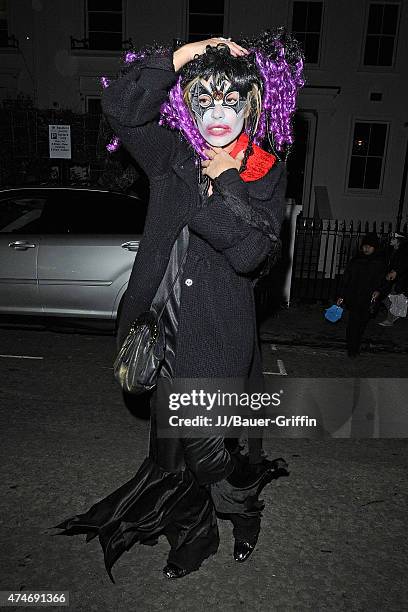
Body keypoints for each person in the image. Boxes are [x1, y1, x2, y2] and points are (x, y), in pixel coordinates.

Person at [54, 30, 304, 580]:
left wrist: (226, 184)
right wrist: (178, 58)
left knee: (211, 454)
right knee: (173, 457)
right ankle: (193, 540)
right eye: (205, 98)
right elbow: (121, 110)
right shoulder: (173, 155)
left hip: (217, 338)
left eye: (230, 99)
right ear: (190, 102)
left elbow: (249, 255)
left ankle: (242, 515)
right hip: (160, 331)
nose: (217, 113)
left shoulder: (264, 170)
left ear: (252, 104)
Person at [336, 232, 390, 357]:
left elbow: (385, 281)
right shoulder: (356, 260)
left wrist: (380, 291)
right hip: (354, 297)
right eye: (365, 246)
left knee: (362, 324)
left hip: (369, 299)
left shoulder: (380, 263)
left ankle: (355, 346)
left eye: (369, 246)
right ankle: (352, 349)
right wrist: (341, 295)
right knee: (353, 324)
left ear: (375, 247)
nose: (366, 248)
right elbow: (346, 278)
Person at [378, 231, 408, 326]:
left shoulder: (404, 251)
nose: (391, 240)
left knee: (393, 298)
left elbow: (403, 265)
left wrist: (396, 272)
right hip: (390, 279)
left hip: (399, 280)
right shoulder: (391, 250)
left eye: (393, 239)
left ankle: (390, 319)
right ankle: (396, 314)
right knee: (384, 297)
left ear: (399, 241)